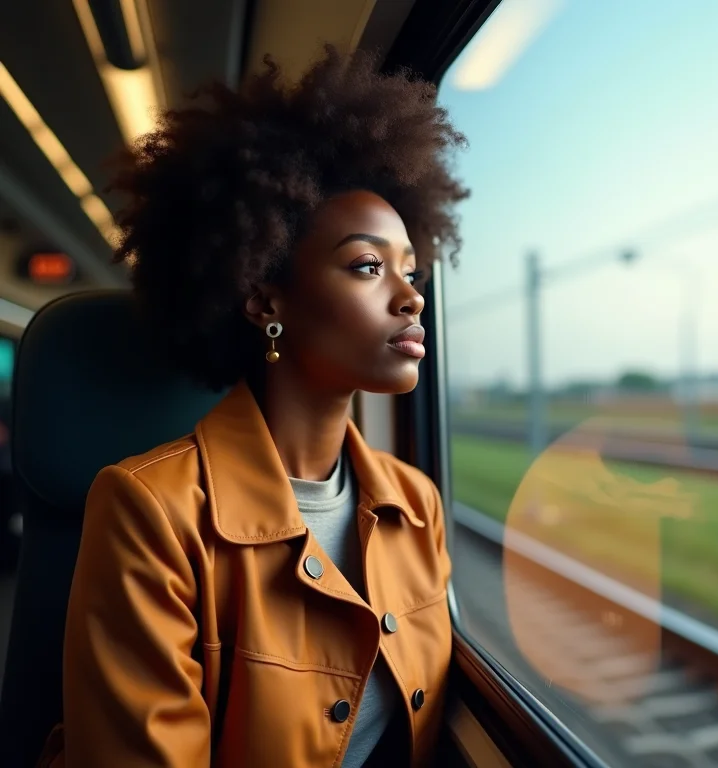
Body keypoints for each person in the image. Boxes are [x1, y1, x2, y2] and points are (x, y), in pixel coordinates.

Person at [42, 44, 469, 767]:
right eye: (368, 266)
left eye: (410, 268)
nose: (411, 296)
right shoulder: (149, 512)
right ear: (264, 297)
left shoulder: (416, 503)